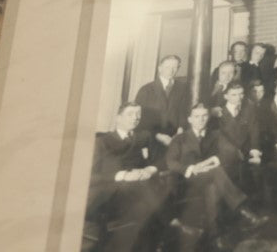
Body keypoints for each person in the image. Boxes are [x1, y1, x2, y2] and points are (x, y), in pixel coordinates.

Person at [164, 103, 259, 249]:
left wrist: (212, 160)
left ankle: (215, 238)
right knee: (215, 173)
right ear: (189, 119)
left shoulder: (215, 134)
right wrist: (190, 168)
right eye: (196, 117)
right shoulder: (180, 138)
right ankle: (243, 210)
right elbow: (171, 162)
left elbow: (232, 152)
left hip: (210, 179)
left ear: (208, 118)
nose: (201, 120)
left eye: (204, 116)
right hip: (187, 181)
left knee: (213, 188)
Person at [86, 103, 168, 252]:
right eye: (130, 114)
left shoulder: (144, 137)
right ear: (118, 118)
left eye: (138, 114)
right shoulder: (102, 141)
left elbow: (162, 159)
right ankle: (167, 228)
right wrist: (122, 175)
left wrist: (150, 169)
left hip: (137, 191)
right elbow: (88, 176)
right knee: (149, 198)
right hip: (109, 192)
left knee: (147, 202)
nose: (135, 118)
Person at [135, 54, 191, 153]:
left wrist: (180, 131)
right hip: (151, 138)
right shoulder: (146, 90)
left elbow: (184, 112)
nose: (171, 70)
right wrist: (157, 135)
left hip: (175, 137)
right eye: (167, 67)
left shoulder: (183, 89)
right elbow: (139, 118)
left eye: (175, 67)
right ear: (160, 68)